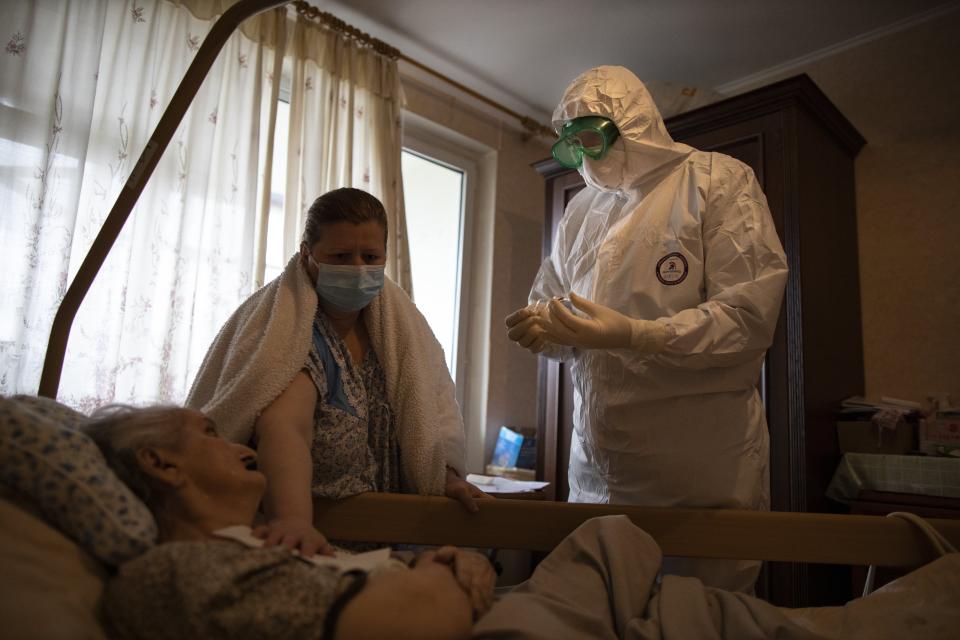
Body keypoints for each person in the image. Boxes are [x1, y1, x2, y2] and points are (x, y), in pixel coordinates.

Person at [85, 405, 958, 640]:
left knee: (615, 543)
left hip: (473, 598)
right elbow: (419, 618)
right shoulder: (178, 575)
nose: (229, 437)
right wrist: (457, 569)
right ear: (160, 466)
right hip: (481, 618)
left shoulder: (262, 549)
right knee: (612, 544)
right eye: (206, 431)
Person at [505, 66, 789, 593]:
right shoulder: (581, 212)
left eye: (591, 137)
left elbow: (747, 320)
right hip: (595, 474)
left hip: (699, 479)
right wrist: (546, 330)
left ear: (631, 123)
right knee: (599, 609)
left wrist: (636, 335)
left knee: (698, 616)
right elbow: (552, 301)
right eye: (573, 145)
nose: (585, 157)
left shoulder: (715, 181)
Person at [187, 187, 485, 557]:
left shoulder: (398, 330)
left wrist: (444, 475)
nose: (359, 269)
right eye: (341, 256)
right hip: (311, 541)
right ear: (307, 254)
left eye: (371, 256)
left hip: (388, 536)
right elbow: (286, 428)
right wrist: (293, 521)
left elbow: (428, 409)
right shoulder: (293, 333)